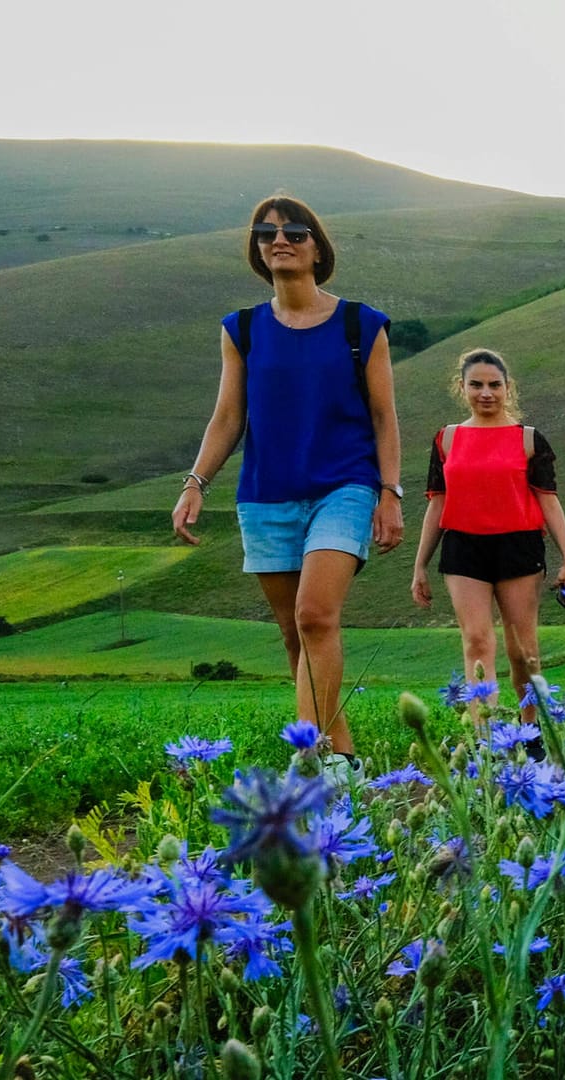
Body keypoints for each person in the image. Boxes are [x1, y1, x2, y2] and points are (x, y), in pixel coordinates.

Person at [172, 194, 401, 784]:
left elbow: (383, 417)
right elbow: (228, 417)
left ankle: (309, 765)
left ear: (317, 247)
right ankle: (344, 759)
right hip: (266, 493)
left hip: (344, 486)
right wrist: (197, 482)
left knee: (316, 615)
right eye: (265, 232)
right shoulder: (242, 329)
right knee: (297, 637)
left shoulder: (361, 325)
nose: (279, 239)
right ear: (256, 250)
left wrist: (390, 491)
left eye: (294, 231)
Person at [410, 349, 565, 724]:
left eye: (494, 385)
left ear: (507, 388)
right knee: (477, 642)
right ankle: (485, 739)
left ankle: (530, 729)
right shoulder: (447, 439)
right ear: (462, 387)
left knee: (524, 651)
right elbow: (437, 505)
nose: (486, 392)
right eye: (476, 385)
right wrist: (419, 564)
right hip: (463, 549)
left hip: (518, 547)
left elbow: (549, 503)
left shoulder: (529, 440)